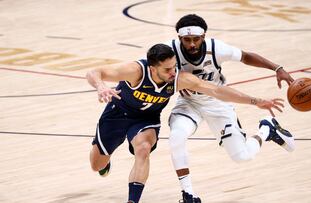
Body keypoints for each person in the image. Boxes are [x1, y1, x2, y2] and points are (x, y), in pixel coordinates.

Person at [87, 43, 288, 203]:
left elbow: (217, 91)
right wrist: (101, 86)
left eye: (174, 67)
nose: (173, 72)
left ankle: (132, 200)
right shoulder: (135, 71)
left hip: (146, 120)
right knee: (97, 165)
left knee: (144, 148)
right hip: (118, 113)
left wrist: (256, 101)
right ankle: (106, 158)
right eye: (167, 69)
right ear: (152, 68)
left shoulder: (179, 78)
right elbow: (94, 72)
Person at [166, 14, 295, 202]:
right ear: (180, 38)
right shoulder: (169, 51)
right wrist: (174, 80)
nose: (192, 44)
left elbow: (246, 57)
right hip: (189, 104)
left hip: (218, 102)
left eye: (196, 39)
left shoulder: (216, 49)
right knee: (177, 136)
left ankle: (267, 129)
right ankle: (188, 195)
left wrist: (277, 68)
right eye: (187, 40)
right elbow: (149, 68)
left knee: (242, 157)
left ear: (203, 37)